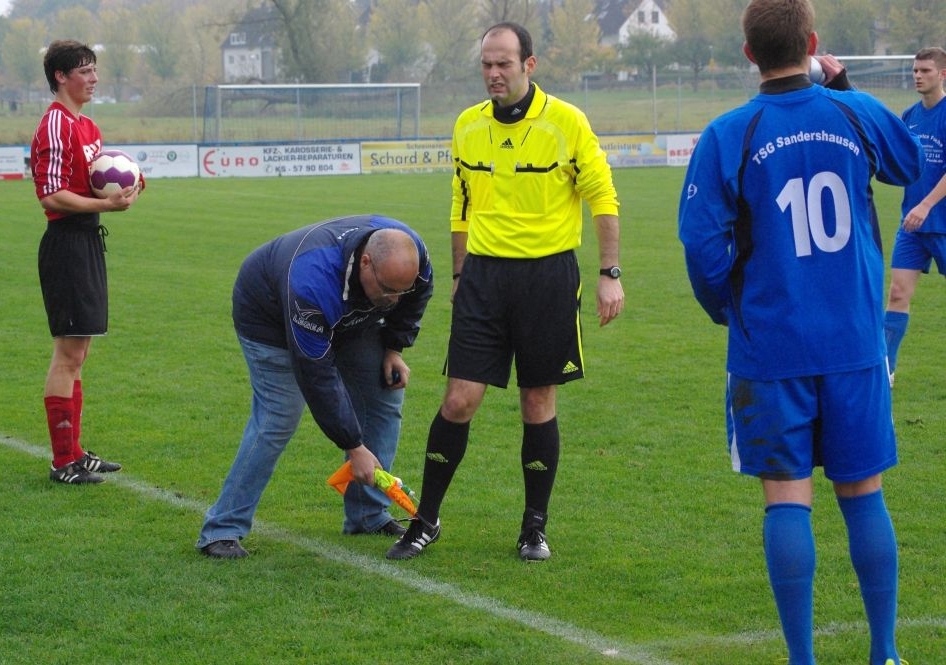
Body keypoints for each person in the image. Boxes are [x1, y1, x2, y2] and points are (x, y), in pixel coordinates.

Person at [678, 1, 924, 664]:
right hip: (854, 344)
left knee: (787, 499)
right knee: (863, 494)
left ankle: (802, 660)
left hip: (770, 348)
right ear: (812, 43)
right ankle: (885, 652)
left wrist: (728, 309)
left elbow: (700, 245)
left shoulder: (729, 132)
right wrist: (843, 86)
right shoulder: (855, 111)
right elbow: (908, 165)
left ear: (748, 53)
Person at [386, 22, 623, 563]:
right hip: (484, 280)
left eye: (504, 64)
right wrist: (458, 275)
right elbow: (461, 203)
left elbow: (603, 197)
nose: (493, 74)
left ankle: (533, 528)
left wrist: (609, 272)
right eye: (487, 65)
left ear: (529, 65)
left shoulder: (567, 122)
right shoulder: (467, 125)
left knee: (537, 400)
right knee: (458, 399)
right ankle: (425, 520)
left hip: (548, 279)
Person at [196, 215, 433, 559]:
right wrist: (354, 446)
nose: (394, 299)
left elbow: (415, 298)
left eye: (402, 290)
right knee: (279, 417)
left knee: (385, 393)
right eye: (387, 289)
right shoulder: (312, 281)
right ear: (366, 262)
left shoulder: (414, 259)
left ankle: (367, 515)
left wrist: (394, 348)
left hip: (348, 317)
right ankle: (221, 529)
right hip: (269, 316)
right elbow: (318, 377)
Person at [31, 40, 142, 485]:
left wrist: (131, 184)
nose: (94, 79)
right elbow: (51, 195)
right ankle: (63, 462)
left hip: (88, 241)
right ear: (61, 77)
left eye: (95, 70)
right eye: (84, 71)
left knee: (79, 352)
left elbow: (96, 179)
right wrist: (107, 206)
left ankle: (75, 452)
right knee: (68, 354)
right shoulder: (56, 124)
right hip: (66, 244)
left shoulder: (88, 125)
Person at [884, 46, 946, 386]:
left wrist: (926, 205)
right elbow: (898, 161)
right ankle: (886, 370)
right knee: (897, 293)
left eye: (925, 70)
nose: (918, 76)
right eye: (915, 70)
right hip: (912, 225)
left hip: (940, 222)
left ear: (942, 74)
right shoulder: (909, 116)